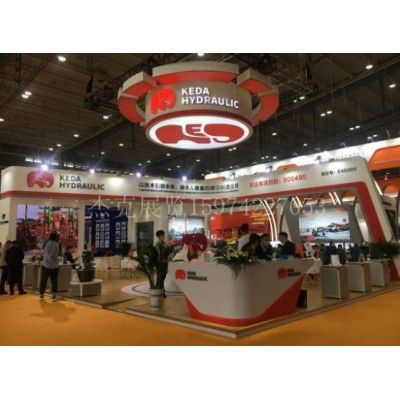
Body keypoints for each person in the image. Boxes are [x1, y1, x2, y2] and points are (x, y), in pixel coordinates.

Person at [39, 232, 62, 301]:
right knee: (54, 281)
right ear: (55, 238)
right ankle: (54, 294)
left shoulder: (46, 244)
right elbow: (60, 253)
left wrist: (46, 240)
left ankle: (41, 294)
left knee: (43, 280)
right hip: (54, 266)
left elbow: (38, 244)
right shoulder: (58, 245)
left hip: (46, 265)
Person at [153, 230, 170, 298]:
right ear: (158, 237)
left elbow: (167, 252)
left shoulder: (165, 244)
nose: (163, 236)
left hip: (165, 263)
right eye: (161, 235)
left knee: (162, 277)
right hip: (160, 264)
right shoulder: (157, 244)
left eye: (163, 235)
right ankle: (161, 292)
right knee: (160, 278)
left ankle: (160, 291)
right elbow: (157, 255)